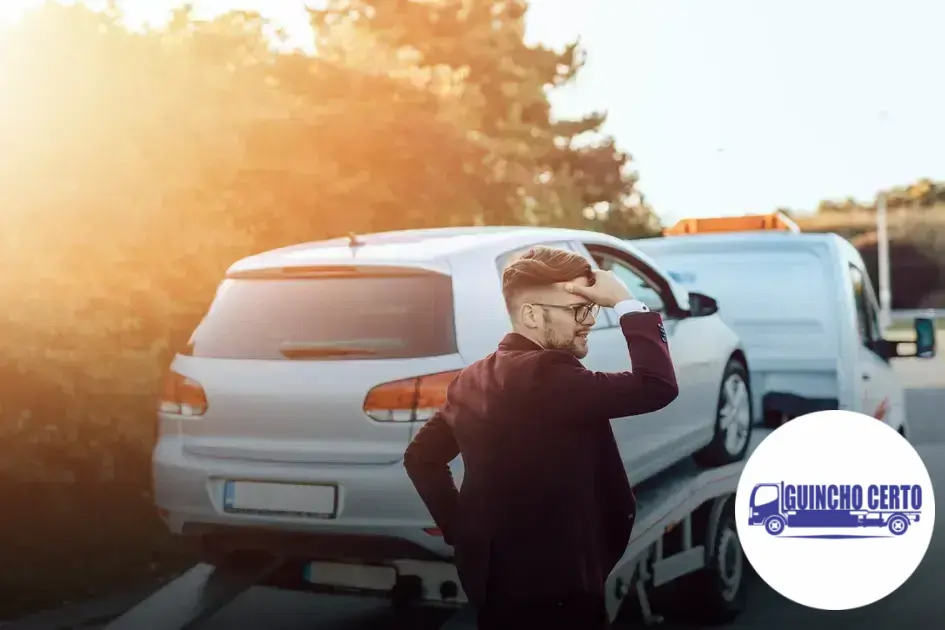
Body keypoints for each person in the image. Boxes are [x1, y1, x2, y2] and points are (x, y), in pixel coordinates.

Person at [403, 246, 679, 629]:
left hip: (493, 581)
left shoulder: (473, 377)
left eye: (593, 308)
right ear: (532, 314)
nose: (588, 322)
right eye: (578, 310)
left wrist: (465, 531)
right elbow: (656, 385)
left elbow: (422, 458)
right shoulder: (548, 373)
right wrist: (625, 302)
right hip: (558, 592)